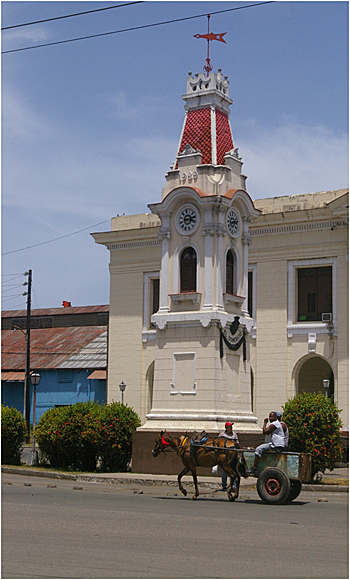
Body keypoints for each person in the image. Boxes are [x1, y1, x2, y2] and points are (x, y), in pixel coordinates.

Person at [250, 411, 286, 476]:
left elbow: (265, 432)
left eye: (271, 417)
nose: (270, 418)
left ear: (276, 417)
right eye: (269, 417)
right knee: (263, 447)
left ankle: (254, 467)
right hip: (278, 444)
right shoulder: (277, 424)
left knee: (258, 449)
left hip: (276, 444)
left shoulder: (274, 424)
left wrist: (264, 422)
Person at [218, 422, 241, 491]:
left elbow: (238, 443)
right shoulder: (222, 435)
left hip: (232, 455)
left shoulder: (234, 435)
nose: (231, 428)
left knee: (233, 470)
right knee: (224, 471)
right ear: (226, 428)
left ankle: (233, 486)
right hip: (224, 455)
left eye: (231, 427)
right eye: (229, 427)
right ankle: (224, 485)